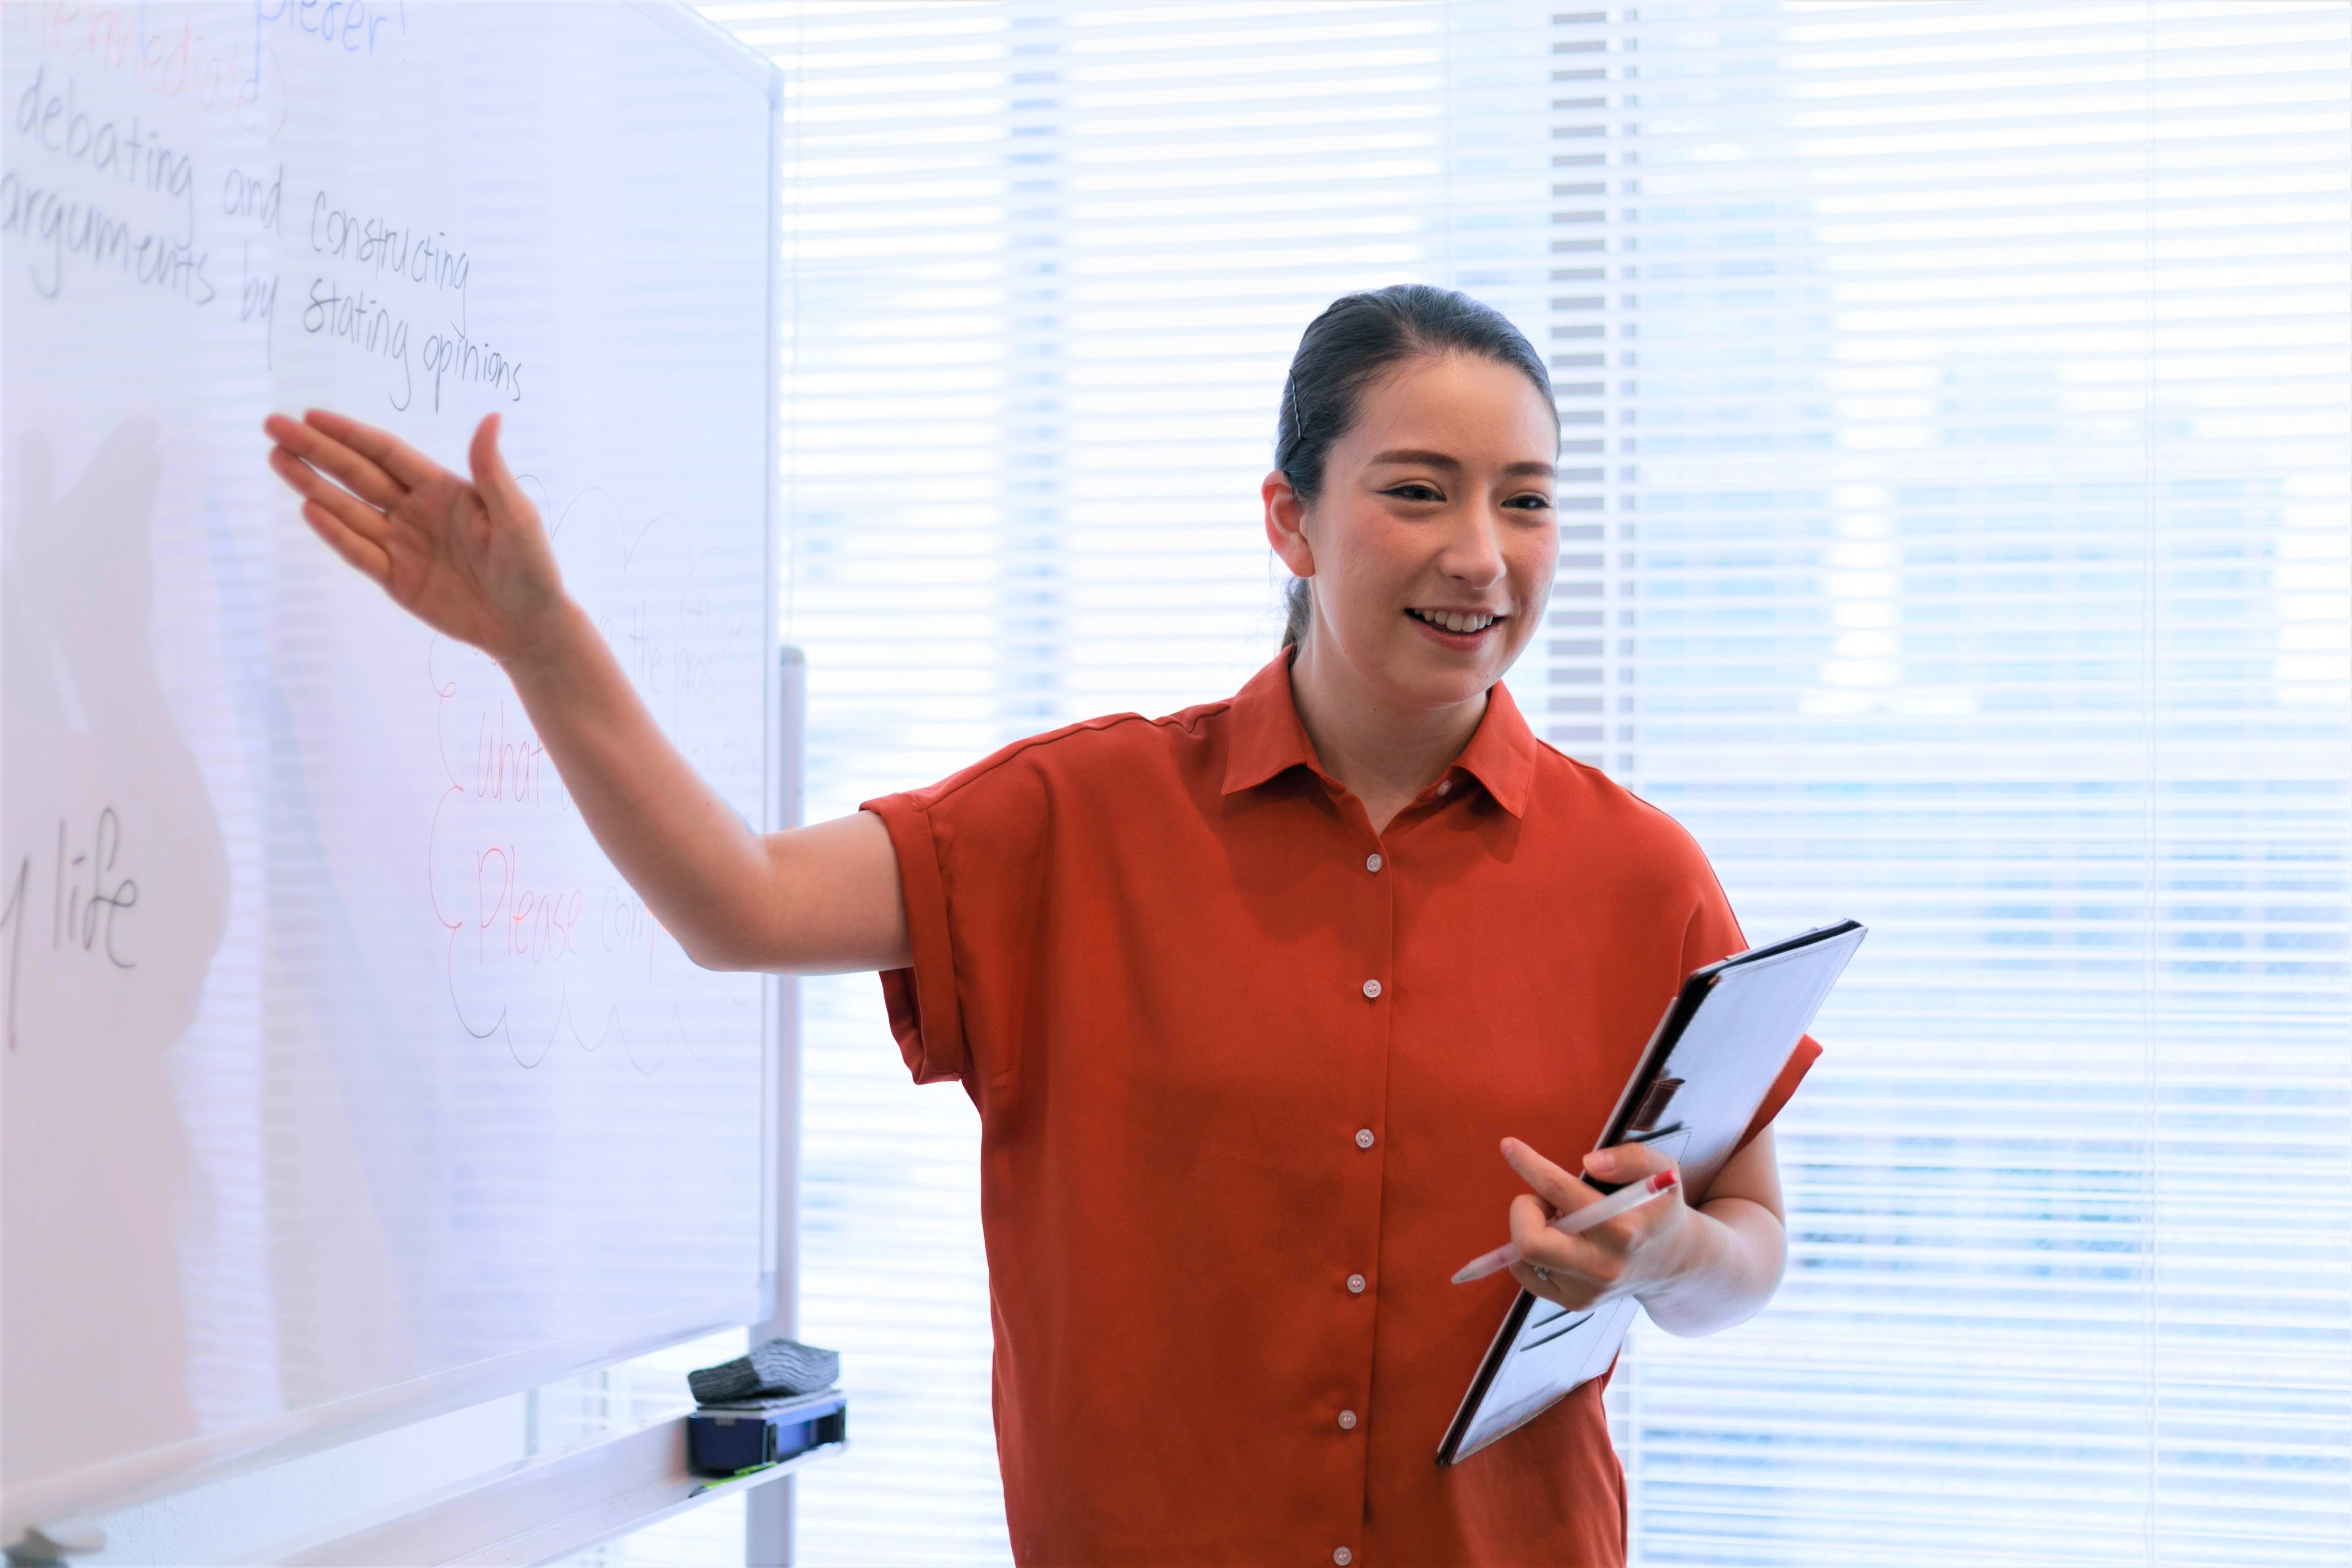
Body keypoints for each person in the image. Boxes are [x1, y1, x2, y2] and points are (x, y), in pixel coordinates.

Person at [263, 283, 1817, 1567]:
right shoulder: (1079, 820)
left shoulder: (1642, 874)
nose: (1481, 552)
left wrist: (1667, 1251)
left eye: (1526, 502)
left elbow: (1747, 1245)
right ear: (1290, 520)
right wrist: (542, 645)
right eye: (1418, 491)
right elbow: (737, 903)